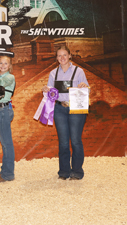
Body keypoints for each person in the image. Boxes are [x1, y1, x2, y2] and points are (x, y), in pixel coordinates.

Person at [42, 45, 89, 180]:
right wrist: (45, 89)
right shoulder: (53, 73)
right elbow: (51, 91)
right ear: (56, 58)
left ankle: (77, 171)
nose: (62, 58)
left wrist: (85, 87)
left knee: (75, 141)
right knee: (63, 142)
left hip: (76, 109)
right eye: (59, 55)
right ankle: (64, 171)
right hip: (59, 109)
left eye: (64, 55)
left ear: (69, 56)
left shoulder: (79, 72)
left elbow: (87, 89)